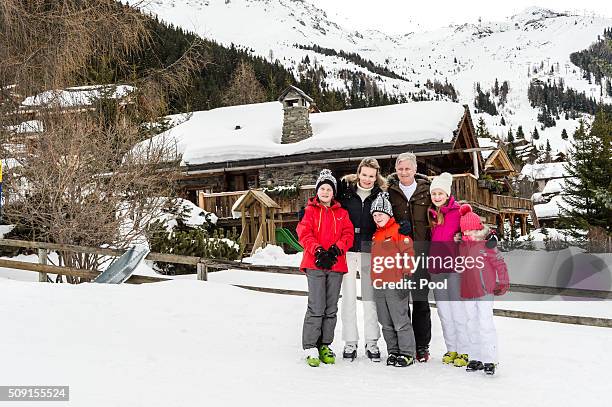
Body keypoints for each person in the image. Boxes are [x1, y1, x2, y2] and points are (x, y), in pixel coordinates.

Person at [297, 169, 355, 367]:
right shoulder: (309, 211)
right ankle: (310, 345)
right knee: (316, 306)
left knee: (331, 308)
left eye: (329, 189)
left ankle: (325, 344)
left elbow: (348, 235)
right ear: (317, 191)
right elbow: (304, 234)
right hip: (315, 263)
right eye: (322, 188)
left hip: (336, 264)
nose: (325, 192)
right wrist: (319, 251)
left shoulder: (342, 213)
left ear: (333, 192)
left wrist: (335, 250)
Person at [336, 158, 385, 361]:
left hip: (369, 251)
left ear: (376, 177)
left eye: (371, 176)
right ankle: (350, 342)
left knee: (369, 299)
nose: (367, 179)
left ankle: (372, 342)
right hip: (347, 251)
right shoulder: (346, 193)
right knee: (347, 298)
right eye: (364, 175)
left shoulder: (380, 195)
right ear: (358, 174)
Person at [386, 152, 432, 362]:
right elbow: (379, 217)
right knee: (402, 304)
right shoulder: (389, 192)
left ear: (415, 169)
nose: (404, 172)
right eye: (400, 168)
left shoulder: (427, 190)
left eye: (407, 168)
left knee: (421, 303)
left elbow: (444, 212)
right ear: (396, 169)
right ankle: (406, 344)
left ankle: (422, 346)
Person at [458, 204, 510, 375]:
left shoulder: (487, 245)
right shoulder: (462, 247)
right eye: (465, 232)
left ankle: (490, 360)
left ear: (478, 229)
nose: (468, 234)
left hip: (485, 290)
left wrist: (502, 282)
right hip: (468, 291)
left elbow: (500, 264)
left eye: (471, 231)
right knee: (470, 323)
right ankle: (475, 357)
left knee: (485, 323)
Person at [427, 172, 470, 367]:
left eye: (440, 193)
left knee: (457, 309)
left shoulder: (459, 212)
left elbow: (475, 230)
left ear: (447, 194)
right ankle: (451, 348)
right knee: (443, 311)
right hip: (437, 269)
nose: (437, 197)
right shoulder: (432, 215)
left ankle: (464, 350)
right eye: (434, 193)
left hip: (454, 268)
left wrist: (463, 239)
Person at [370, 192, 417, 367]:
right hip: (379, 285)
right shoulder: (376, 235)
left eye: (380, 214)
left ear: (389, 213)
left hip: (396, 283)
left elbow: (408, 253)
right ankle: (393, 351)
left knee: (400, 320)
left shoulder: (398, 231)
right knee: (386, 321)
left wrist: (406, 278)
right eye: (374, 215)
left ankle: (406, 353)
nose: (377, 218)